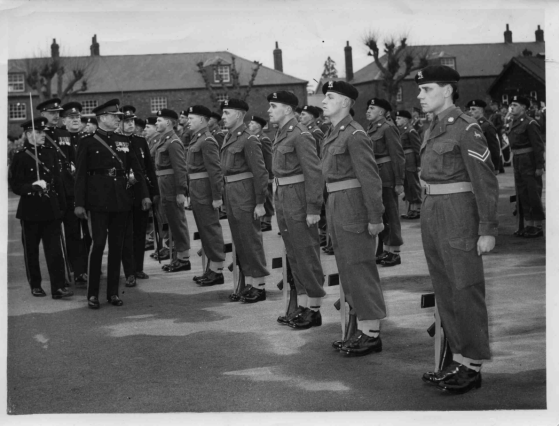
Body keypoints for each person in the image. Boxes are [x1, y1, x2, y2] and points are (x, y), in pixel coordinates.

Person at [416, 65, 498, 394]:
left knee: (465, 289)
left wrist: (488, 228)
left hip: (458, 214)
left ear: (447, 91)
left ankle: (473, 364)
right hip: (433, 212)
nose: (420, 96)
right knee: (446, 289)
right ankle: (459, 358)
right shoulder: (431, 128)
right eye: (420, 90)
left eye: (427, 89)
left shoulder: (466, 128)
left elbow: (485, 181)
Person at [321, 80, 386, 356]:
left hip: (353, 206)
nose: (324, 101)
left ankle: (371, 333)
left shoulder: (355, 134)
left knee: (359, 268)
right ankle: (358, 328)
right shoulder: (333, 133)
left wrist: (375, 217)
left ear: (346, 102)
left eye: (330, 96)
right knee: (347, 271)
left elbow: (370, 179)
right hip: (337, 204)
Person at [74, 99, 151, 309]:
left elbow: (137, 170)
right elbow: (80, 175)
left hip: (121, 200)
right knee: (98, 245)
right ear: (101, 118)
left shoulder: (124, 140)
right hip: (97, 201)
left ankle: (112, 293)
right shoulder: (87, 141)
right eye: (114, 116)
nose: (118, 119)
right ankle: (92, 294)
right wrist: (79, 203)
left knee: (117, 247)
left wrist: (144, 194)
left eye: (118, 116)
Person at [267, 91, 325, 329]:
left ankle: (314, 308)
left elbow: (314, 172)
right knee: (294, 253)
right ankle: (302, 304)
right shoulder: (281, 133)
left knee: (306, 252)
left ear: (288, 109)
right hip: (283, 197)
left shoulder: (300, 135)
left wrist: (313, 207)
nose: (269, 110)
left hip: (298, 198)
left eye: (273, 106)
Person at [9, 117, 74, 300]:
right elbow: (15, 185)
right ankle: (36, 284)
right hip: (30, 210)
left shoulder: (50, 153)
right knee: (31, 250)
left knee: (54, 250)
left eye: (42, 132)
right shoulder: (20, 156)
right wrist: (32, 187)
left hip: (51, 208)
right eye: (38, 132)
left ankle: (58, 287)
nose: (42, 135)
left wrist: (62, 206)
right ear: (29, 134)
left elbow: (58, 181)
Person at [220, 99, 270, 303]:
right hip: (232, 193)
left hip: (245, 194)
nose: (223, 116)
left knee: (250, 239)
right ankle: (248, 283)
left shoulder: (248, 139)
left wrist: (260, 203)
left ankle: (259, 285)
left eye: (227, 112)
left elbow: (260, 173)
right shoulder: (229, 137)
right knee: (240, 241)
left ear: (239, 115)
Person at [185, 105, 226, 286]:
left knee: (210, 229)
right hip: (197, 189)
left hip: (205, 191)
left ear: (202, 120)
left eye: (191, 118)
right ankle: (211, 268)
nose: (188, 121)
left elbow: (215, 171)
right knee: (204, 230)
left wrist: (217, 196)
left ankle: (217, 270)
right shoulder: (197, 139)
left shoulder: (207, 140)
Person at [119, 106, 159, 285]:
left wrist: (154, 192)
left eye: (132, 122)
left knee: (140, 231)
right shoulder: (117, 141)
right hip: (123, 192)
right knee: (126, 233)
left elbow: (149, 168)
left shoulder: (140, 142)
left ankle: (138, 267)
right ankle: (129, 270)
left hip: (141, 192)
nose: (130, 125)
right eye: (126, 122)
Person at [366, 98, 405, 267]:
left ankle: (394, 252)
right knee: (380, 213)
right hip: (376, 175)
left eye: (372, 108)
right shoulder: (372, 128)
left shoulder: (388, 128)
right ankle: (382, 249)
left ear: (381, 112)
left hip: (387, 175)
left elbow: (397, 155)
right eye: (368, 107)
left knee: (390, 214)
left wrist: (399, 181)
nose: (368, 110)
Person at [153, 108, 192, 271]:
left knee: (178, 223)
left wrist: (181, 191)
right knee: (171, 223)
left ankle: (184, 259)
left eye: (159, 120)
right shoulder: (164, 140)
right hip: (164, 185)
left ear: (168, 123)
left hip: (171, 187)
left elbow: (180, 168)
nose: (156, 123)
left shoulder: (173, 142)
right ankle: (178, 256)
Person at [60, 102, 90, 284]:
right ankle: (77, 269)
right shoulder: (60, 140)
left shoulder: (86, 138)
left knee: (90, 233)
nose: (75, 120)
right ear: (64, 120)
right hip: (69, 193)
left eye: (77, 117)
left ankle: (86, 265)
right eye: (71, 118)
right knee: (73, 232)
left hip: (88, 193)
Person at [506, 95, 545, 238]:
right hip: (518, 160)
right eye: (511, 105)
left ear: (524, 107)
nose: (512, 107)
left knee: (533, 193)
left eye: (515, 105)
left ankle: (537, 225)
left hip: (529, 161)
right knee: (521, 194)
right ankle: (527, 224)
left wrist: (539, 166)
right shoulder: (513, 122)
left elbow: (538, 146)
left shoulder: (530, 123)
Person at [247, 115, 274, 232]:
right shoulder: (253, 137)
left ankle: (267, 221)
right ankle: (262, 220)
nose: (249, 125)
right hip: (257, 172)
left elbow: (268, 158)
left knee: (266, 196)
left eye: (252, 123)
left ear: (258, 126)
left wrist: (270, 175)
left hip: (264, 173)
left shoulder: (264, 139)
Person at [395, 110, 422, 219]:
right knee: (406, 184)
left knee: (412, 183)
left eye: (399, 118)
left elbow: (417, 148)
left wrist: (418, 164)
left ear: (406, 120)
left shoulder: (411, 131)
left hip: (410, 159)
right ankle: (410, 210)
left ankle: (417, 209)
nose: (396, 120)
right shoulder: (400, 131)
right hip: (403, 160)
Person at [466, 100, 500, 174]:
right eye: (470, 109)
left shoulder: (488, 126)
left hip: (485, 162)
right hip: (473, 162)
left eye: (473, 109)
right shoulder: (471, 125)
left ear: (481, 110)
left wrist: (495, 166)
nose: (470, 111)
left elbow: (494, 148)